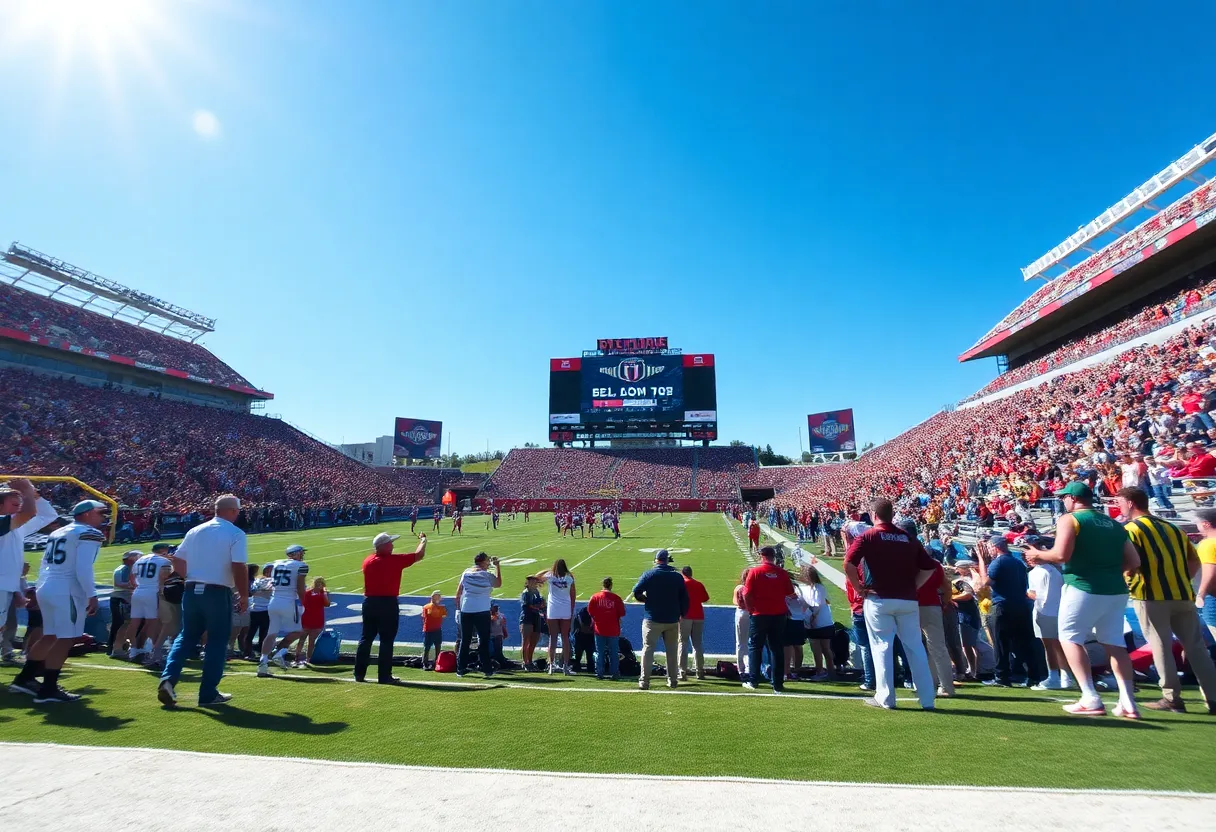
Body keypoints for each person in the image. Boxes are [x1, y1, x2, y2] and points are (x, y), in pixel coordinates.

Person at [1025, 481, 1141, 719]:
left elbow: (1060, 554)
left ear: (1073, 498)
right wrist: (1107, 571)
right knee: (1115, 644)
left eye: (1064, 497)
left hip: (1082, 586)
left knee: (1069, 637)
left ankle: (1089, 696)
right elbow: (1134, 562)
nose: (1063, 501)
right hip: (1115, 590)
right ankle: (1128, 703)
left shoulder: (1070, 519)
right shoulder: (1114, 523)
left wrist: (1037, 555)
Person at [1117, 486, 1216, 713]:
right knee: (1196, 647)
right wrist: (1180, 580)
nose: (1119, 507)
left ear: (1130, 503)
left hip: (1151, 595)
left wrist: (1127, 578)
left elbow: (1131, 562)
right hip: (1181, 594)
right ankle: (1213, 697)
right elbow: (1193, 562)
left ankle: (1172, 697)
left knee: (1160, 645)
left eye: (1120, 502)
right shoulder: (1173, 528)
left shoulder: (1131, 529)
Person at [843, 498, 940, 711]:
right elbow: (929, 567)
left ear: (873, 514)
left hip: (878, 598)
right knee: (915, 648)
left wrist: (859, 588)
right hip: (907, 600)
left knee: (882, 647)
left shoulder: (868, 535)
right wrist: (914, 586)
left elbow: (848, 563)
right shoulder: (907, 537)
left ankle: (886, 698)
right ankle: (927, 699)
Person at [9, 499, 107, 703]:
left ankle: (24, 678)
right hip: (67, 589)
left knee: (49, 635)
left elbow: (45, 565)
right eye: (101, 512)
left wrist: (39, 589)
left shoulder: (58, 532)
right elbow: (83, 567)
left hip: (49, 586)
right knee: (66, 638)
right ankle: (48, 689)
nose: (104, 517)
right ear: (87, 514)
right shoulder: (88, 533)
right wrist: (92, 594)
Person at [157, 495, 249, 708]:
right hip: (216, 592)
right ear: (233, 511)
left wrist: (192, 576)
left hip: (191, 589)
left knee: (186, 636)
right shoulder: (235, 533)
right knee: (217, 640)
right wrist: (243, 595)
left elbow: (177, 559)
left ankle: (168, 679)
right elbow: (239, 566)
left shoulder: (195, 530)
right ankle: (208, 693)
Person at [355, 532, 426, 684]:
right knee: (387, 640)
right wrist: (423, 540)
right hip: (387, 603)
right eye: (390, 543)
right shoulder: (393, 561)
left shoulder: (368, 560)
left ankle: (359, 674)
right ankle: (384, 676)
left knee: (366, 638)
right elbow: (419, 555)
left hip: (369, 602)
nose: (393, 546)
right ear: (384, 546)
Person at [974, 536, 1042, 688]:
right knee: (1024, 643)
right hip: (1022, 606)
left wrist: (981, 560)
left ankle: (1002, 676)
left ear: (996, 547)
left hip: (1003, 606)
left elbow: (985, 583)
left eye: (990, 547)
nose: (989, 551)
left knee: (1001, 643)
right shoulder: (1018, 563)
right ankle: (1033, 676)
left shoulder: (998, 562)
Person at [0, 479, 58, 642]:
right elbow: (30, 513)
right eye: (14, 503)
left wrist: (35, 496)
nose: (19, 506)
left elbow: (48, 515)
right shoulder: (6, 523)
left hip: (5, 587)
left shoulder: (15, 527)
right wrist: (27, 490)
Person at [632, 549, 689, 690]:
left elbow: (636, 591)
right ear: (667, 560)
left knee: (648, 649)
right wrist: (681, 614)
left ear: (656, 560)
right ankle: (672, 680)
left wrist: (646, 600)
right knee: (672, 650)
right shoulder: (677, 577)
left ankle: (644, 681)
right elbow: (685, 599)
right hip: (671, 619)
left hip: (653, 618)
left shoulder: (649, 574)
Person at [742, 545, 796, 693]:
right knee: (776, 648)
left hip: (759, 614)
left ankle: (754, 681)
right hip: (778, 615)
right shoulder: (782, 573)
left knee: (755, 647)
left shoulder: (755, 572)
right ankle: (777, 684)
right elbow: (790, 593)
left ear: (762, 556)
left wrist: (750, 608)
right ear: (774, 556)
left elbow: (746, 593)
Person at [1025, 541, 1070, 691]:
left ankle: (1054, 677)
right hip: (1057, 611)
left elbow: (1039, 596)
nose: (1028, 557)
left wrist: (1026, 593)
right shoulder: (1054, 570)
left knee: (1050, 647)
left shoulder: (1039, 572)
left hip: (1045, 612)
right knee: (1057, 646)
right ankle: (1065, 677)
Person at [259, 544, 309, 677]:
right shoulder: (301, 566)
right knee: (301, 630)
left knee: (271, 633)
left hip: (274, 601)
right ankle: (279, 652)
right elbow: (300, 587)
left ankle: (263, 663)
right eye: (301, 552)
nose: (302, 555)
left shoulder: (276, 563)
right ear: (295, 553)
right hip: (289, 601)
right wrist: (306, 603)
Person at [455, 552, 502, 678]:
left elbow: (458, 592)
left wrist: (458, 609)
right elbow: (498, 584)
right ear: (482, 562)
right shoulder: (486, 575)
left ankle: (460, 668)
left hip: (466, 609)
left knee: (465, 640)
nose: (488, 563)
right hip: (481, 610)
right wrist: (497, 566)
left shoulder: (466, 572)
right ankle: (486, 669)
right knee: (484, 640)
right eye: (487, 561)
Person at [915, 558, 956, 697]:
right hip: (932, 605)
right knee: (937, 647)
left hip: (912, 605)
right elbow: (947, 587)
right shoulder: (934, 564)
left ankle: (927, 683)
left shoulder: (906, 559)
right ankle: (945, 686)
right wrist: (944, 604)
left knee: (918, 647)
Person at [129, 547, 172, 666]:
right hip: (153, 592)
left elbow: (132, 578)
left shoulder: (140, 559)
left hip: (138, 591)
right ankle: (155, 652)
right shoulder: (164, 561)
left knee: (135, 622)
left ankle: (133, 650)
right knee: (153, 623)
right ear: (164, 551)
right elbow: (165, 578)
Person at [540, 560, 576, 676]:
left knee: (553, 637)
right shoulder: (569, 577)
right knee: (565, 637)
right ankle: (565, 666)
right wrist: (571, 609)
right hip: (565, 609)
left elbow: (537, 577)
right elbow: (573, 594)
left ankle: (551, 665)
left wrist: (548, 570)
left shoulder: (550, 576)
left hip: (553, 609)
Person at [588, 577, 626, 680]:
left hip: (599, 629)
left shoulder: (595, 597)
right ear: (611, 585)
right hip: (613, 629)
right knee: (613, 653)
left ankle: (599, 673)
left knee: (599, 652)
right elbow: (622, 613)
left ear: (603, 585)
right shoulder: (616, 598)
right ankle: (614, 673)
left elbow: (591, 612)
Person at [950, 560, 982, 682]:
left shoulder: (963, 581)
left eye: (958, 568)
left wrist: (950, 598)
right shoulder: (959, 580)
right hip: (963, 614)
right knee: (967, 644)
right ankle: (972, 669)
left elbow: (968, 595)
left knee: (968, 644)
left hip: (967, 614)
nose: (956, 570)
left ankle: (973, 671)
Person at [678, 565, 709, 680]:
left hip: (685, 616)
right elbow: (705, 598)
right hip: (698, 616)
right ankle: (700, 671)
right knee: (697, 644)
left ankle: (682, 671)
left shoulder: (682, 584)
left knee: (683, 643)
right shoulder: (698, 584)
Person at [108, 550, 138, 659]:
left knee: (119, 623)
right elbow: (119, 584)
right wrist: (136, 586)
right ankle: (117, 647)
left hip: (118, 598)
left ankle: (117, 645)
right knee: (124, 623)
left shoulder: (120, 568)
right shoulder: (126, 569)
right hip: (122, 598)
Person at [245, 564, 272, 658]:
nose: (270, 572)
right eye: (268, 570)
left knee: (263, 634)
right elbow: (252, 592)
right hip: (257, 610)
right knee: (252, 633)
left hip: (265, 610)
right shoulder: (259, 580)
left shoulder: (262, 580)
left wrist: (262, 592)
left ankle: (259, 652)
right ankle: (248, 652)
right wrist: (265, 592)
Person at [300, 577, 329, 665]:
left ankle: (308, 659)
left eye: (321, 584)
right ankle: (297, 657)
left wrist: (324, 594)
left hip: (317, 619)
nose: (319, 585)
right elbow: (304, 603)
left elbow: (327, 604)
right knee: (302, 639)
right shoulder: (308, 593)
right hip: (307, 618)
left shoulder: (323, 594)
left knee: (311, 641)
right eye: (318, 583)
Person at [1197, 509, 1216, 642]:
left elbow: (1210, 572)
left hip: (1213, 596)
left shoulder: (1208, 544)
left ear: (1205, 524)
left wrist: (1201, 595)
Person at [519, 576, 544, 671]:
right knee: (526, 641)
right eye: (532, 581)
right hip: (527, 618)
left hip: (536, 617)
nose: (534, 583)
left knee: (533, 641)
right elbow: (527, 606)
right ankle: (525, 662)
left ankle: (530, 660)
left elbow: (540, 604)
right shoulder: (526, 593)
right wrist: (538, 607)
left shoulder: (537, 592)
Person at [732, 567, 751, 680]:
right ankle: (749, 666)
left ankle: (741, 668)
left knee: (740, 642)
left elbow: (735, 602)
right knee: (750, 642)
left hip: (741, 613)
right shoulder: (752, 588)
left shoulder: (738, 588)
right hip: (750, 613)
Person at [421, 591, 446, 669]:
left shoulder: (440, 607)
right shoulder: (428, 607)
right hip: (430, 630)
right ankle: (426, 663)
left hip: (436, 629)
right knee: (429, 647)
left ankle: (435, 662)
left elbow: (443, 615)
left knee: (436, 646)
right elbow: (439, 615)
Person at [571, 605, 596, 672]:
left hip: (589, 636)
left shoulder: (594, 613)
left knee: (590, 654)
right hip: (581, 636)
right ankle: (577, 666)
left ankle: (590, 668)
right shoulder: (582, 613)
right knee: (578, 654)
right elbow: (582, 627)